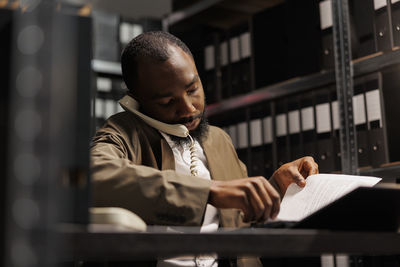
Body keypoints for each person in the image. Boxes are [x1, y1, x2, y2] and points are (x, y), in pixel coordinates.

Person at [90, 31, 319, 267]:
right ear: (136, 101)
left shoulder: (218, 139)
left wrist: (276, 187)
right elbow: (95, 177)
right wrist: (209, 191)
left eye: (192, 89)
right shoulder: (123, 132)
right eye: (167, 102)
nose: (188, 109)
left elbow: (242, 222)